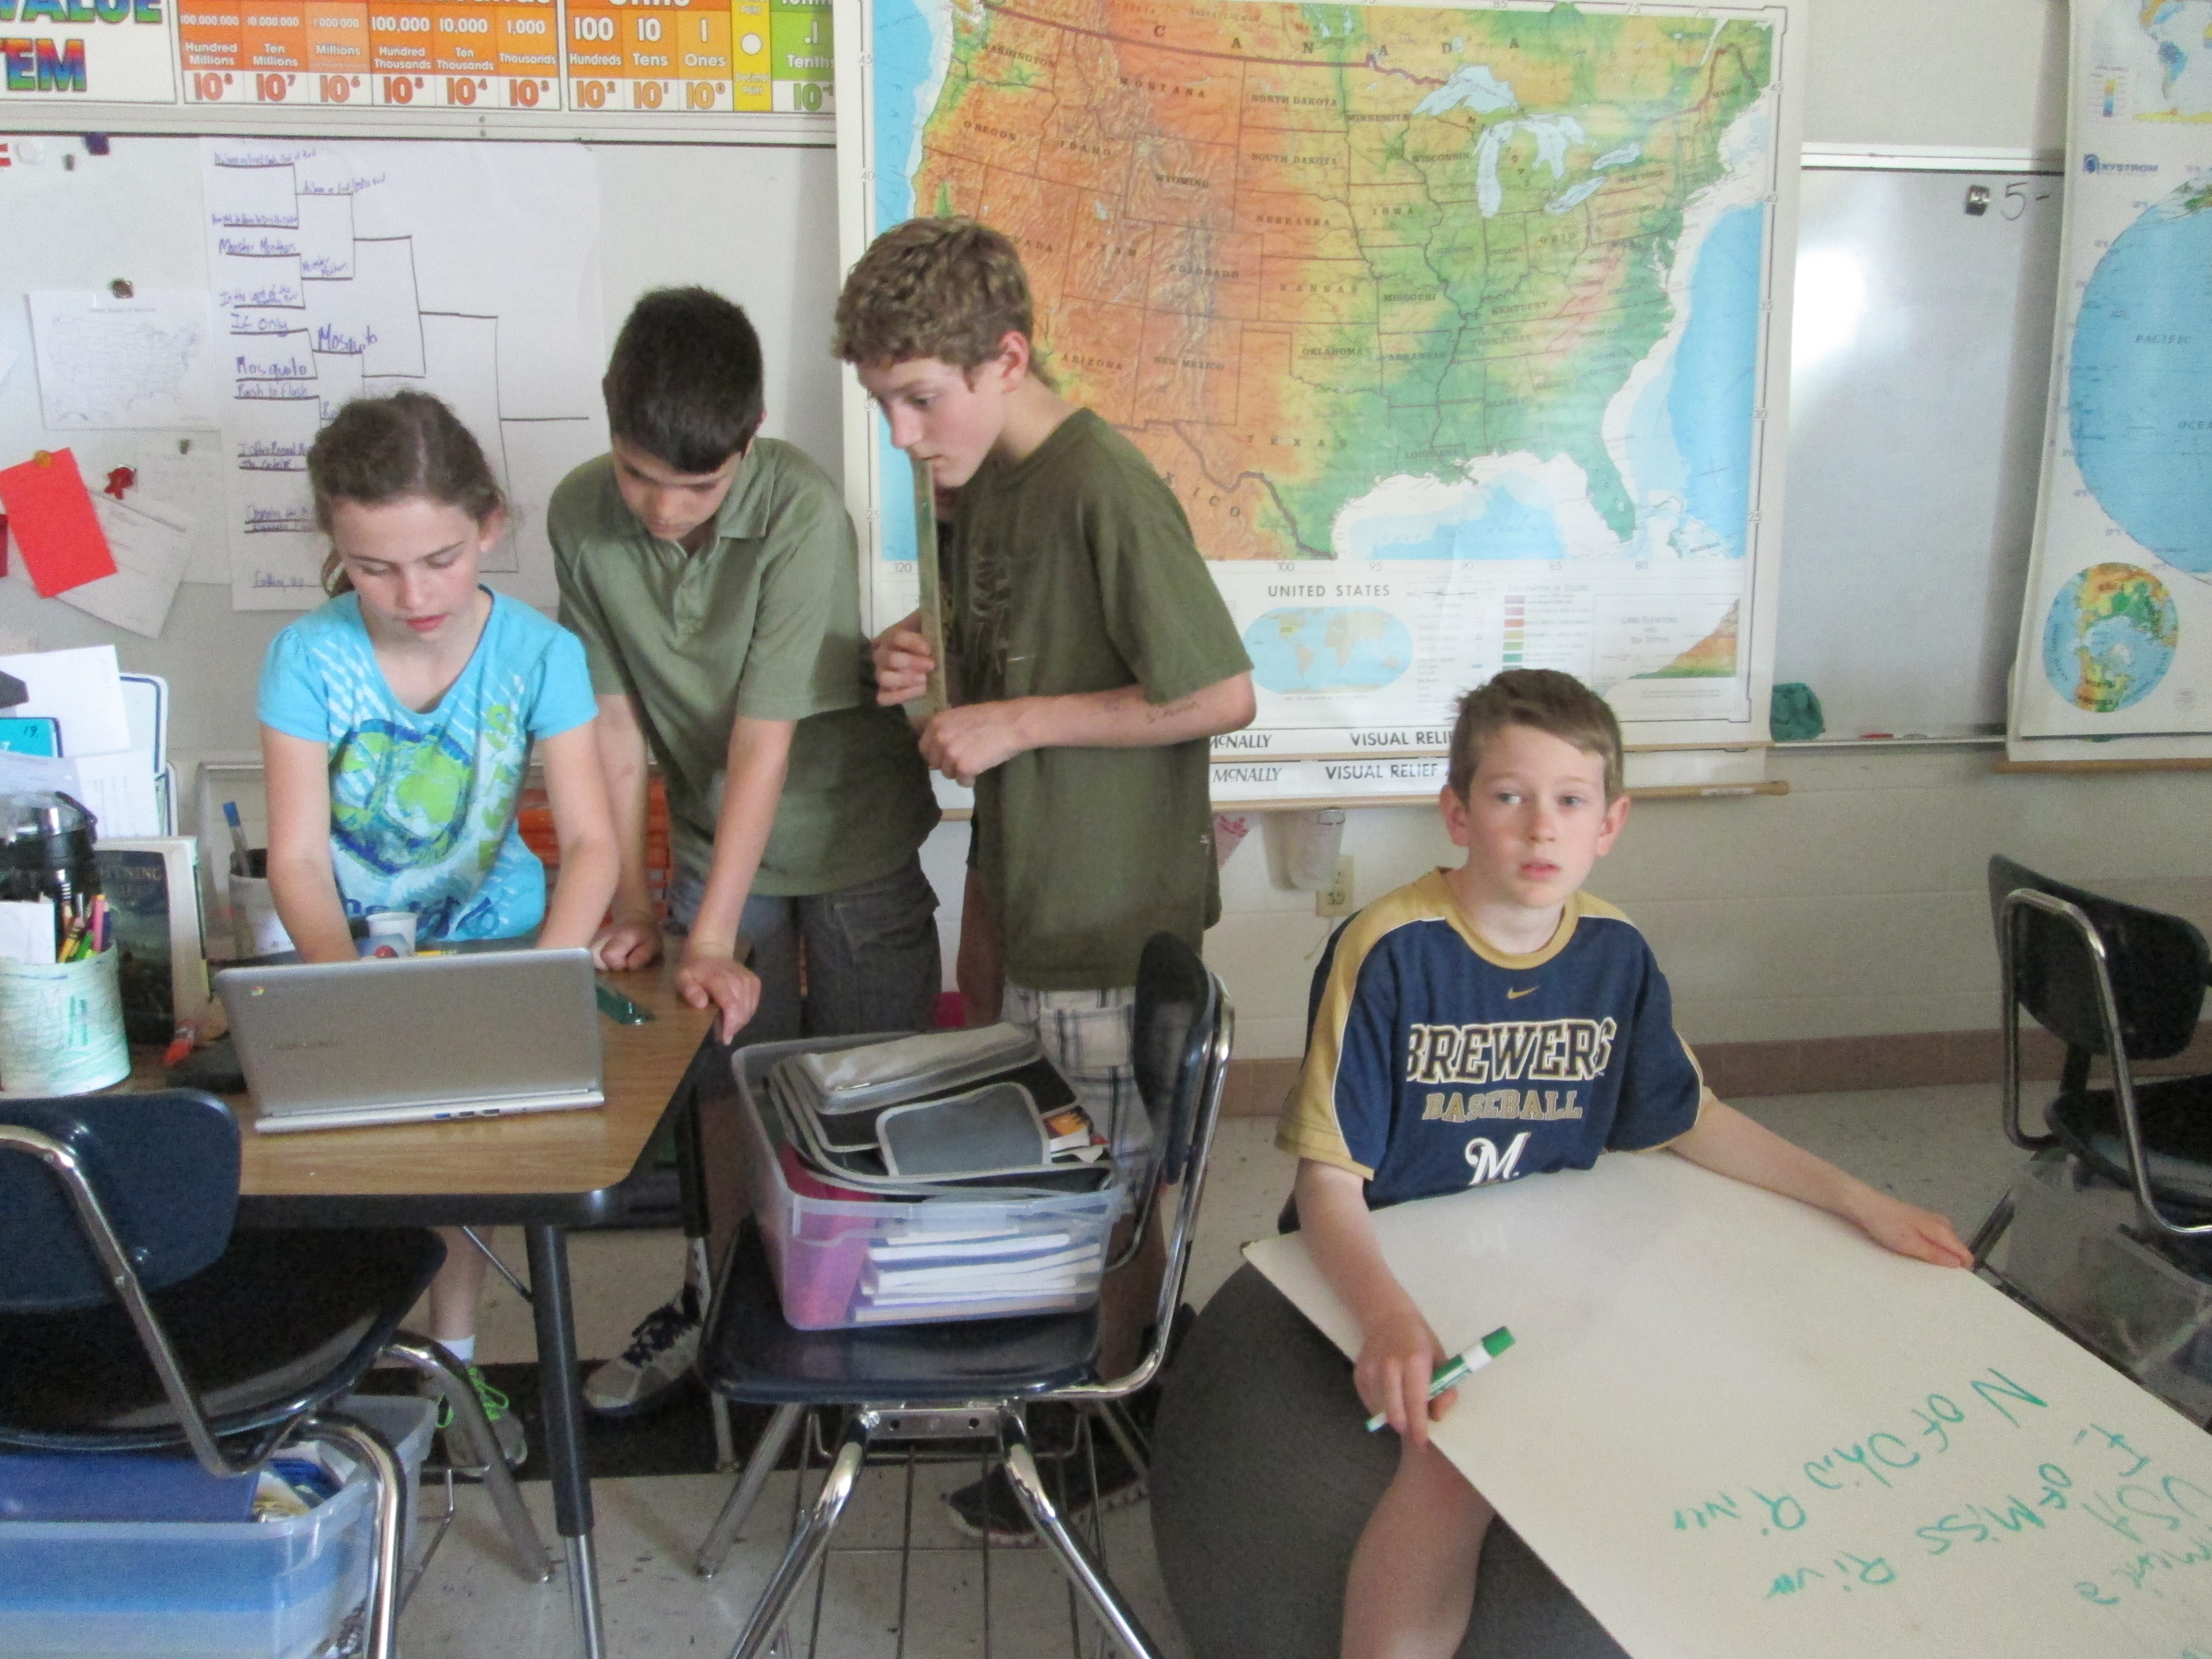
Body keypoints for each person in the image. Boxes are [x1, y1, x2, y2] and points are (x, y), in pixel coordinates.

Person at [1277, 667, 1974, 1659]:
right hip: (1400, 1258)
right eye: (1509, 797)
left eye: (1571, 802)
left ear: (1611, 823)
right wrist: (1388, 1319)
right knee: (1456, 1465)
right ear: (1458, 813)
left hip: (1545, 1258)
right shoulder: (1388, 948)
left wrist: (1860, 1201)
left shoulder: (1616, 951)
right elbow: (1328, 1181)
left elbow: (1688, 1119)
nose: (1540, 828)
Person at [840, 216, 1257, 1538]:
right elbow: (1006, 641)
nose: (903, 432)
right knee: (1078, 1166)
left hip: (1104, 907)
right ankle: (1128, 1375)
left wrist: (1019, 723)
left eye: (921, 398)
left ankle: (1102, 1428)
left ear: (1007, 359)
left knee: (1104, 1189)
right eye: (884, 403)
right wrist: (918, 653)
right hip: (1029, 886)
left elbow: (1220, 692)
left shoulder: (1102, 484)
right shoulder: (980, 480)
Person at [551, 287, 943, 1417]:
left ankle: (872, 1325)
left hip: (849, 826)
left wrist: (711, 933)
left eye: (701, 486)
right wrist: (640, 906)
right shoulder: (578, 515)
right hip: (713, 836)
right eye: (640, 476)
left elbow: (766, 741)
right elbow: (613, 724)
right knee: (724, 1090)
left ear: (751, 441)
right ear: (610, 418)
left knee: (867, 1088)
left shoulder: (802, 508)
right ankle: (722, 1300)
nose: (665, 510)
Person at [259, 390, 622, 1466]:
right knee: (343, 1168)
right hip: (345, 951)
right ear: (334, 546)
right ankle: (326, 1378)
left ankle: (454, 1365)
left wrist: (545, 978)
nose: (413, 595)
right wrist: (347, 993)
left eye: (440, 560)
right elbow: (296, 857)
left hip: (495, 943)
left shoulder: (541, 654)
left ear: (490, 526)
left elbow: (592, 843)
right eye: (374, 568)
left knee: (469, 1166)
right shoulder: (305, 657)